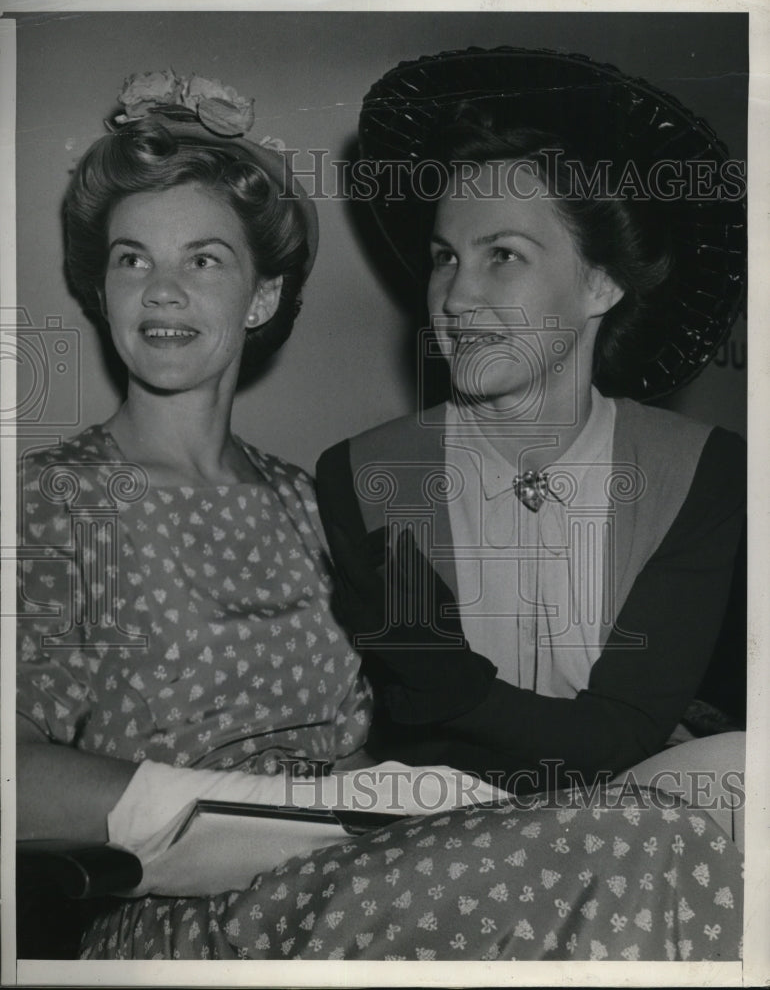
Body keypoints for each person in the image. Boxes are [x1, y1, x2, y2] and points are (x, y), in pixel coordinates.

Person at [16, 66, 743, 962]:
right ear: (100, 291)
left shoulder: (310, 502)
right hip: (185, 914)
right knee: (646, 847)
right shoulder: (55, 500)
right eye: (132, 259)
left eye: (203, 259)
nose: (161, 290)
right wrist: (283, 819)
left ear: (265, 296)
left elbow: (411, 724)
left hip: (367, 871)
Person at [316, 49, 747, 844]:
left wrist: (456, 689)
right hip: (435, 841)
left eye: (502, 255)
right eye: (445, 256)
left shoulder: (702, 472)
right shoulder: (369, 475)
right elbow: (423, 749)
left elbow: (621, 734)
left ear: (600, 285)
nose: (457, 295)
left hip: (637, 831)